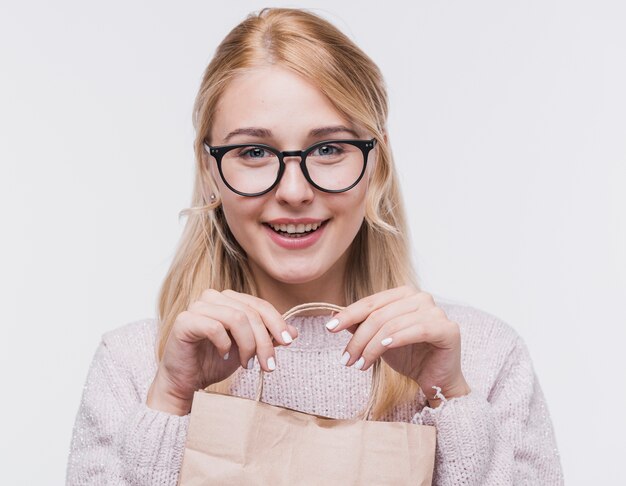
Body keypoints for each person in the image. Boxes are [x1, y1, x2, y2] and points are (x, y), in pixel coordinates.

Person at [66, 7, 563, 485]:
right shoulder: (133, 368)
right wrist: (170, 400)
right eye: (254, 152)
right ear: (209, 170)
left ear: (378, 165)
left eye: (328, 148)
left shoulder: (485, 359)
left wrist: (450, 401)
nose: (294, 191)